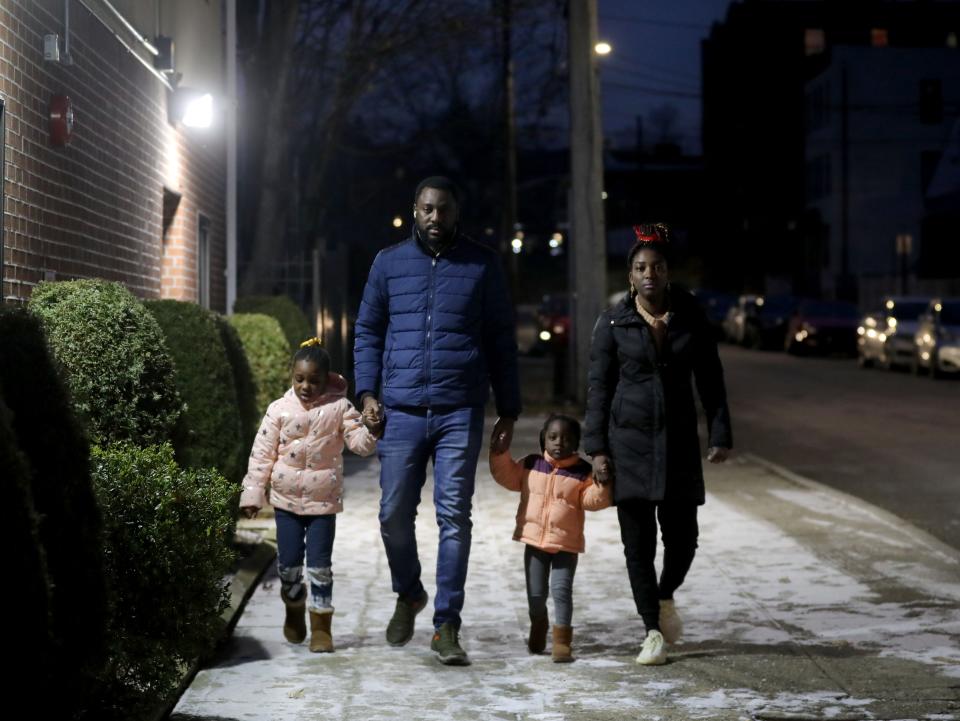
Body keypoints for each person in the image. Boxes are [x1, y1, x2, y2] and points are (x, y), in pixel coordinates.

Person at [354, 175, 521, 666]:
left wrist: (508, 409)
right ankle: (409, 592)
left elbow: (501, 340)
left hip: (458, 410)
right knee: (391, 514)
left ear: (455, 212)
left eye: (443, 209)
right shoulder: (388, 264)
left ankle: (446, 624)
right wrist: (366, 394)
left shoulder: (482, 265)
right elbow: (367, 329)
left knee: (454, 518)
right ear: (414, 211)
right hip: (401, 410)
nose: (434, 218)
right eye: (427, 209)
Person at [583, 223, 733, 666]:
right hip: (627, 445)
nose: (650, 274)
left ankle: (665, 595)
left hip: (679, 445)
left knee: (684, 540)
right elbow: (599, 386)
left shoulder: (691, 316)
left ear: (668, 272)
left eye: (658, 266)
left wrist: (720, 432)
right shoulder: (612, 322)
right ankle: (651, 630)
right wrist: (598, 449)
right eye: (640, 267)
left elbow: (711, 378)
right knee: (638, 547)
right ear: (630, 275)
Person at [240, 338, 380, 653]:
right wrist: (252, 494)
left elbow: (359, 444)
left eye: (313, 380)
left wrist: (372, 429)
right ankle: (293, 607)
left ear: (326, 379)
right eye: (299, 379)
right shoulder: (278, 410)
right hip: (286, 503)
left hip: (323, 503)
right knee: (288, 567)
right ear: (292, 377)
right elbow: (261, 455)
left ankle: (321, 628)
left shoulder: (339, 408)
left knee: (320, 567)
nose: (306, 386)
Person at [489, 413, 611, 662]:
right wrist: (499, 454)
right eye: (553, 437)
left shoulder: (582, 473)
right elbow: (507, 476)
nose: (559, 443)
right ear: (543, 438)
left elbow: (593, 501)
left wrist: (604, 483)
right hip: (534, 542)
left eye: (566, 438)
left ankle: (561, 642)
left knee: (561, 591)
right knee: (536, 595)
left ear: (576, 442)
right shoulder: (531, 464)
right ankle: (539, 622)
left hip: (566, 544)